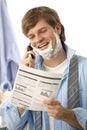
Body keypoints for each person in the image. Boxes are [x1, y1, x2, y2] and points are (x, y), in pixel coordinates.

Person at [2, 6, 87, 130]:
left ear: (57, 29)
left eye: (42, 31)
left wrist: (69, 116)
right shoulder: (30, 71)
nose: (38, 39)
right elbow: (13, 125)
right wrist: (25, 77)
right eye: (31, 36)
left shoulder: (84, 68)